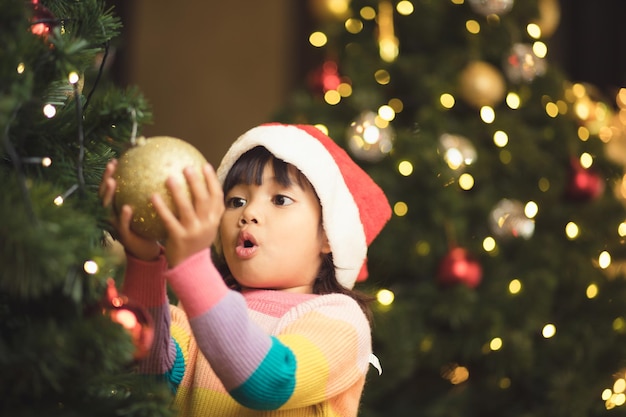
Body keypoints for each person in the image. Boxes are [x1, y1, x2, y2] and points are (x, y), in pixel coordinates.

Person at [99, 123, 391, 416]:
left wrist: (193, 268)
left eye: (280, 200)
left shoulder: (341, 320)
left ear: (329, 234)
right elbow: (151, 376)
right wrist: (145, 260)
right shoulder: (196, 310)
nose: (248, 213)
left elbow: (271, 381)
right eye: (236, 201)